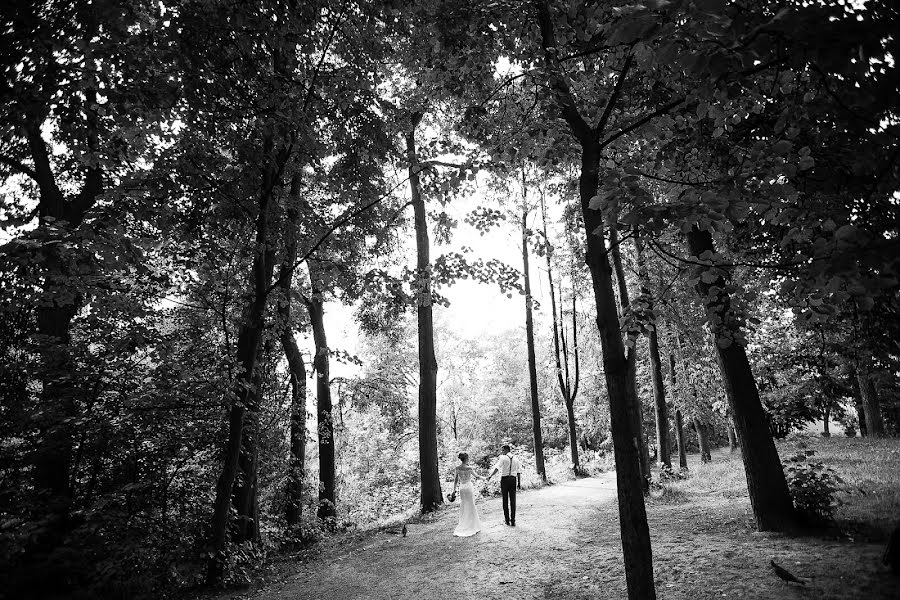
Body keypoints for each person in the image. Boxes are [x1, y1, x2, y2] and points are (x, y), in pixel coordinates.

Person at [487, 444, 521, 526]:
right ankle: (513, 520)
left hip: (505, 480)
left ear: (506, 450)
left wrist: (490, 476)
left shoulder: (503, 458)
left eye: (502, 450)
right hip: (513, 479)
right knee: (513, 500)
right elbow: (518, 472)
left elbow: (497, 468)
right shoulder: (516, 458)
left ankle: (507, 520)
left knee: (505, 500)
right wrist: (519, 483)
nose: (502, 452)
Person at [452, 452, 482, 537]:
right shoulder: (469, 468)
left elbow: (455, 480)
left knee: (464, 505)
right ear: (466, 458)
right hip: (468, 487)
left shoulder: (457, 468)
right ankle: (473, 525)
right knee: (471, 504)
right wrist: (485, 478)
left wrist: (454, 490)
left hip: (462, 488)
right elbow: (477, 476)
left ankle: (464, 523)